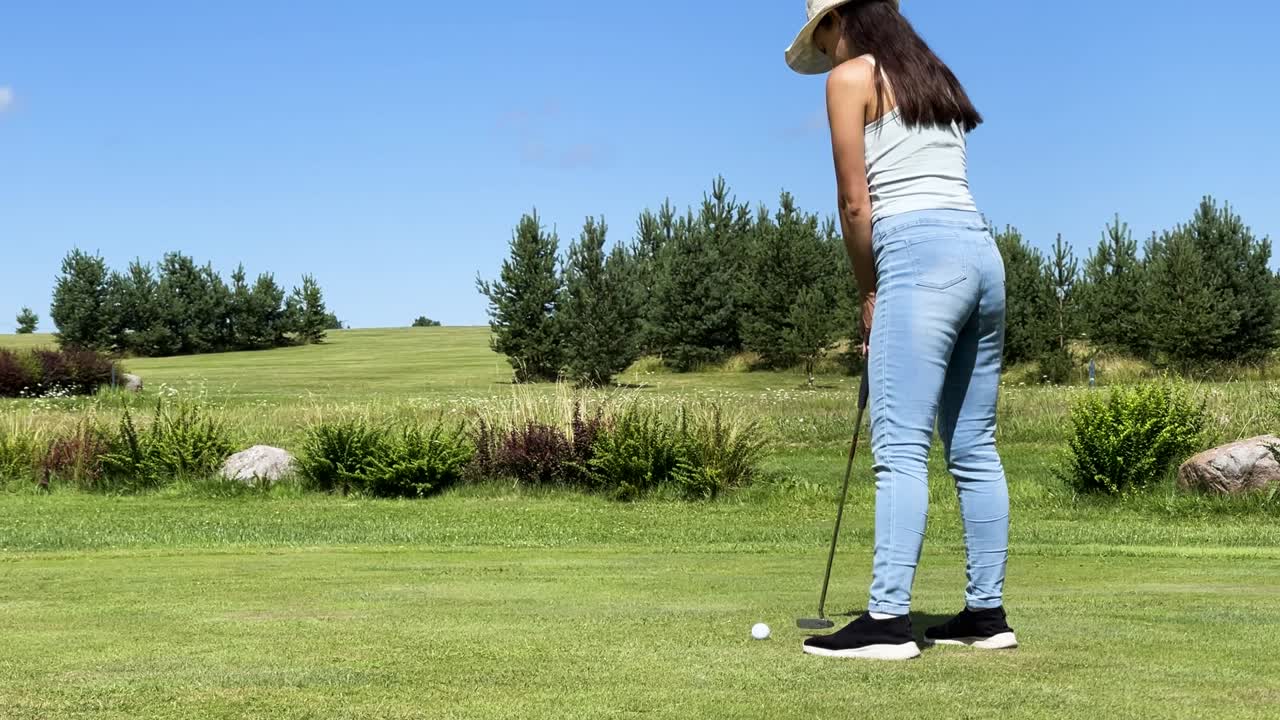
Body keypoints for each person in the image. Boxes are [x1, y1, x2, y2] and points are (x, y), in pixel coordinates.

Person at [785, 0, 1017, 661]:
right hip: (980, 255)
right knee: (974, 448)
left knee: (901, 448)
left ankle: (886, 622)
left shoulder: (850, 77)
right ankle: (985, 615)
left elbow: (855, 203)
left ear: (838, 23)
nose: (825, 51)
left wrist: (868, 290)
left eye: (821, 34)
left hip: (916, 256)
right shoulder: (933, 75)